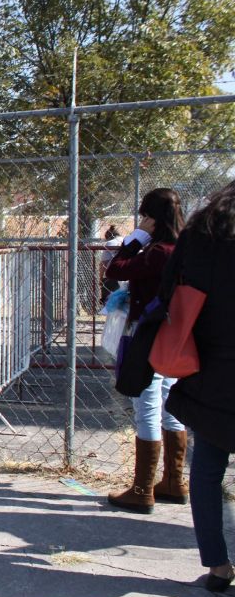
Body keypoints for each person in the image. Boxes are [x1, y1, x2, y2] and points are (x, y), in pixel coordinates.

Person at [162, 180, 235, 593]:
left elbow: (169, 290)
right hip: (213, 365)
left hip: (208, 365)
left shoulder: (202, 231)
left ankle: (218, 566)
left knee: (207, 472)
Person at [104, 189, 186, 513]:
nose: (142, 222)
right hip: (174, 334)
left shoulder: (158, 252)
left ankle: (142, 490)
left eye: (145, 217)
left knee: (147, 405)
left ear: (154, 218)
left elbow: (116, 269)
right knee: (170, 402)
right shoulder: (183, 248)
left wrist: (135, 238)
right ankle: (173, 481)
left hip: (151, 334)